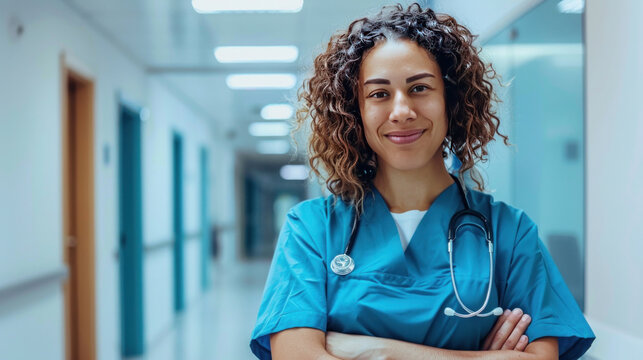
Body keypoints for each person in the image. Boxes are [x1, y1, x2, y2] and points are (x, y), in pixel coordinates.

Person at [250, 3, 594, 359]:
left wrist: (378, 351)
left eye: (419, 88)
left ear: (451, 101)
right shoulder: (311, 229)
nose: (402, 111)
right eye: (379, 94)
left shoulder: (511, 231)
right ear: (357, 113)